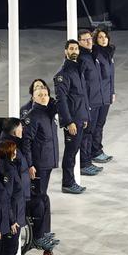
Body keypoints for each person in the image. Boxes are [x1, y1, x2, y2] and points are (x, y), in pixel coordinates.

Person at [21, 79, 59, 249]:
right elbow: (26, 142)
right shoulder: (32, 116)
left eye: (45, 94)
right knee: (39, 199)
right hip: (38, 164)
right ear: (33, 98)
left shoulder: (48, 113)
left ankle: (44, 232)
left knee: (44, 198)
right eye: (40, 95)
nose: (43, 97)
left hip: (47, 162)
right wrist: (30, 165)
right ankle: (38, 235)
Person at [53, 39, 90, 194]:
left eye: (76, 48)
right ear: (65, 51)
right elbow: (61, 101)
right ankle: (67, 183)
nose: (74, 51)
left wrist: (85, 117)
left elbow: (82, 96)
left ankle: (71, 181)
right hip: (72, 121)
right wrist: (69, 122)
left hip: (80, 118)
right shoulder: (63, 75)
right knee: (70, 153)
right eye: (71, 48)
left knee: (74, 152)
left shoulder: (78, 70)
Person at [77, 29, 104, 177]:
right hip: (88, 103)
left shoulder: (93, 55)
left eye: (89, 39)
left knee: (91, 132)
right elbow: (82, 84)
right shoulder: (82, 58)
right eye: (85, 40)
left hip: (95, 100)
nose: (89, 42)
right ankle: (83, 163)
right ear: (79, 42)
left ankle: (88, 161)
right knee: (86, 134)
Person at [92, 27, 115, 165]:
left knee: (100, 124)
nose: (103, 39)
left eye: (105, 36)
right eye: (100, 37)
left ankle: (97, 150)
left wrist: (112, 92)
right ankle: (94, 151)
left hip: (106, 95)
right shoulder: (95, 55)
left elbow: (111, 76)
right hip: (96, 97)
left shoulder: (109, 54)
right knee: (94, 125)